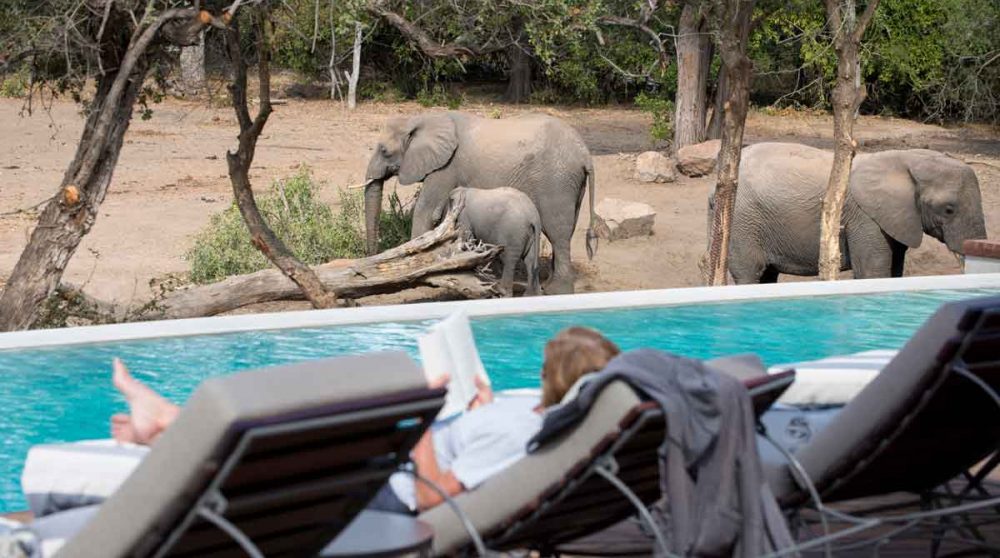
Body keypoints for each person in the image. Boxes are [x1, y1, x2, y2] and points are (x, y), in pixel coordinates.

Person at [108, 326, 621, 514]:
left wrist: (424, 418)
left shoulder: (526, 431)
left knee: (282, 451)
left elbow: (430, 497)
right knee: (308, 423)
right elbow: (486, 446)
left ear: (552, 379)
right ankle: (169, 424)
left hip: (387, 488)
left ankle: (167, 427)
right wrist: (479, 408)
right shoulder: (551, 419)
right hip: (394, 463)